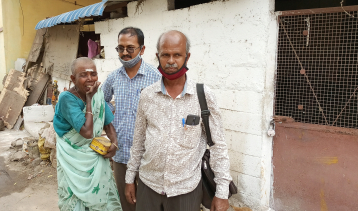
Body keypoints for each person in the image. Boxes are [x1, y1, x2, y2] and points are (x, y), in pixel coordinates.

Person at [124, 30, 232, 211]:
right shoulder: (147, 95)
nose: (171, 61)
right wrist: (129, 179)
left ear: (187, 57)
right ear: (158, 56)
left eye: (177, 55)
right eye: (165, 55)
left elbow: (218, 146)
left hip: (185, 190)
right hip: (148, 185)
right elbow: (138, 142)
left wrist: (221, 192)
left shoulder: (203, 96)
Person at [101, 27, 161, 211]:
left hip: (147, 156)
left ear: (142, 50)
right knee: (126, 203)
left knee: (147, 204)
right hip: (120, 155)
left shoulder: (155, 77)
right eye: (120, 48)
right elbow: (100, 103)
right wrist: (113, 111)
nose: (124, 53)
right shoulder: (113, 78)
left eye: (130, 48)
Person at [53, 57, 122, 211]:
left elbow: (108, 124)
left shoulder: (98, 94)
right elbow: (87, 131)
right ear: (73, 78)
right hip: (74, 162)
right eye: (83, 75)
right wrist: (89, 100)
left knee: (105, 198)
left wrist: (114, 143)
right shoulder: (67, 99)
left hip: (95, 158)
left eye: (94, 74)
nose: (90, 79)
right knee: (76, 201)